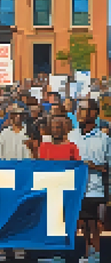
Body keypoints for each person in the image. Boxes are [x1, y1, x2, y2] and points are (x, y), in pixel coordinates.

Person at [67, 99, 109, 263]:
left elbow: (107, 167)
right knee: (83, 224)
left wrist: (94, 167)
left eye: (83, 109)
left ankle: (96, 254)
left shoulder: (104, 139)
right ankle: (86, 253)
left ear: (93, 113)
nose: (78, 113)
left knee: (93, 223)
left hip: (95, 187)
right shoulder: (71, 136)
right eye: (78, 109)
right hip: (75, 187)